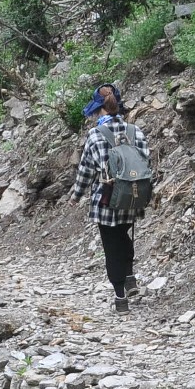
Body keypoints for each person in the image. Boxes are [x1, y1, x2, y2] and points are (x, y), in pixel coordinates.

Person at [70, 83, 151, 313]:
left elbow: (86, 170)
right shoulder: (135, 131)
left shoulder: (95, 136)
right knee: (124, 234)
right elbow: (147, 163)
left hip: (106, 201)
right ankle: (129, 276)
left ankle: (120, 297)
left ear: (100, 109)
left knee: (111, 246)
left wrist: (76, 196)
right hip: (132, 198)